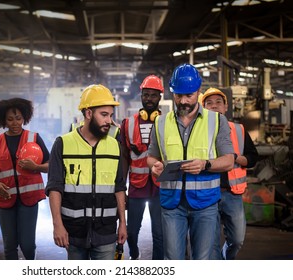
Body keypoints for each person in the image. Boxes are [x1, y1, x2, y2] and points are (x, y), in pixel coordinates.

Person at [147, 63, 234, 260]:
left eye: (189, 95)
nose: (183, 101)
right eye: (178, 95)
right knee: (173, 259)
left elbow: (229, 160)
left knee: (202, 259)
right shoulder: (160, 122)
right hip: (172, 203)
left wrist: (206, 164)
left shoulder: (217, 121)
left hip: (205, 204)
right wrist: (155, 165)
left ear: (198, 92)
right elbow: (150, 156)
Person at [45, 84, 127, 260]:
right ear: (88, 113)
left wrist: (123, 224)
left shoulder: (114, 146)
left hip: (106, 232)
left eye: (111, 115)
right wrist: (57, 224)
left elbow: (119, 187)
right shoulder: (63, 144)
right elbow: (54, 188)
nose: (109, 121)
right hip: (74, 233)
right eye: (104, 115)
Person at [0, 98, 49, 260]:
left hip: (29, 199)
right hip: (4, 199)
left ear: (24, 118)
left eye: (18, 118)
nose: (15, 123)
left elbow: (51, 166)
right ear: (3, 120)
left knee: (27, 244)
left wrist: (37, 167)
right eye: (10, 119)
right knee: (9, 245)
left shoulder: (34, 138)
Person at [201, 87, 259, 260]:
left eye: (218, 102)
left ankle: (226, 259)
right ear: (203, 108)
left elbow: (253, 158)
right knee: (209, 242)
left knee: (237, 239)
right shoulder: (198, 132)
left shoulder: (239, 130)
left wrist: (237, 158)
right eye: (209, 103)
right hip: (207, 193)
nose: (214, 106)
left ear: (226, 107)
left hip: (232, 194)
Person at [120, 75, 164, 260]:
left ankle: (158, 265)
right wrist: (121, 187)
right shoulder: (128, 124)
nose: (149, 99)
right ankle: (135, 253)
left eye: (153, 95)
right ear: (141, 96)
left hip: (160, 186)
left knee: (159, 232)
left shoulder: (168, 122)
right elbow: (123, 157)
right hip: (137, 186)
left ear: (160, 97)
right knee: (131, 230)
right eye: (146, 95)